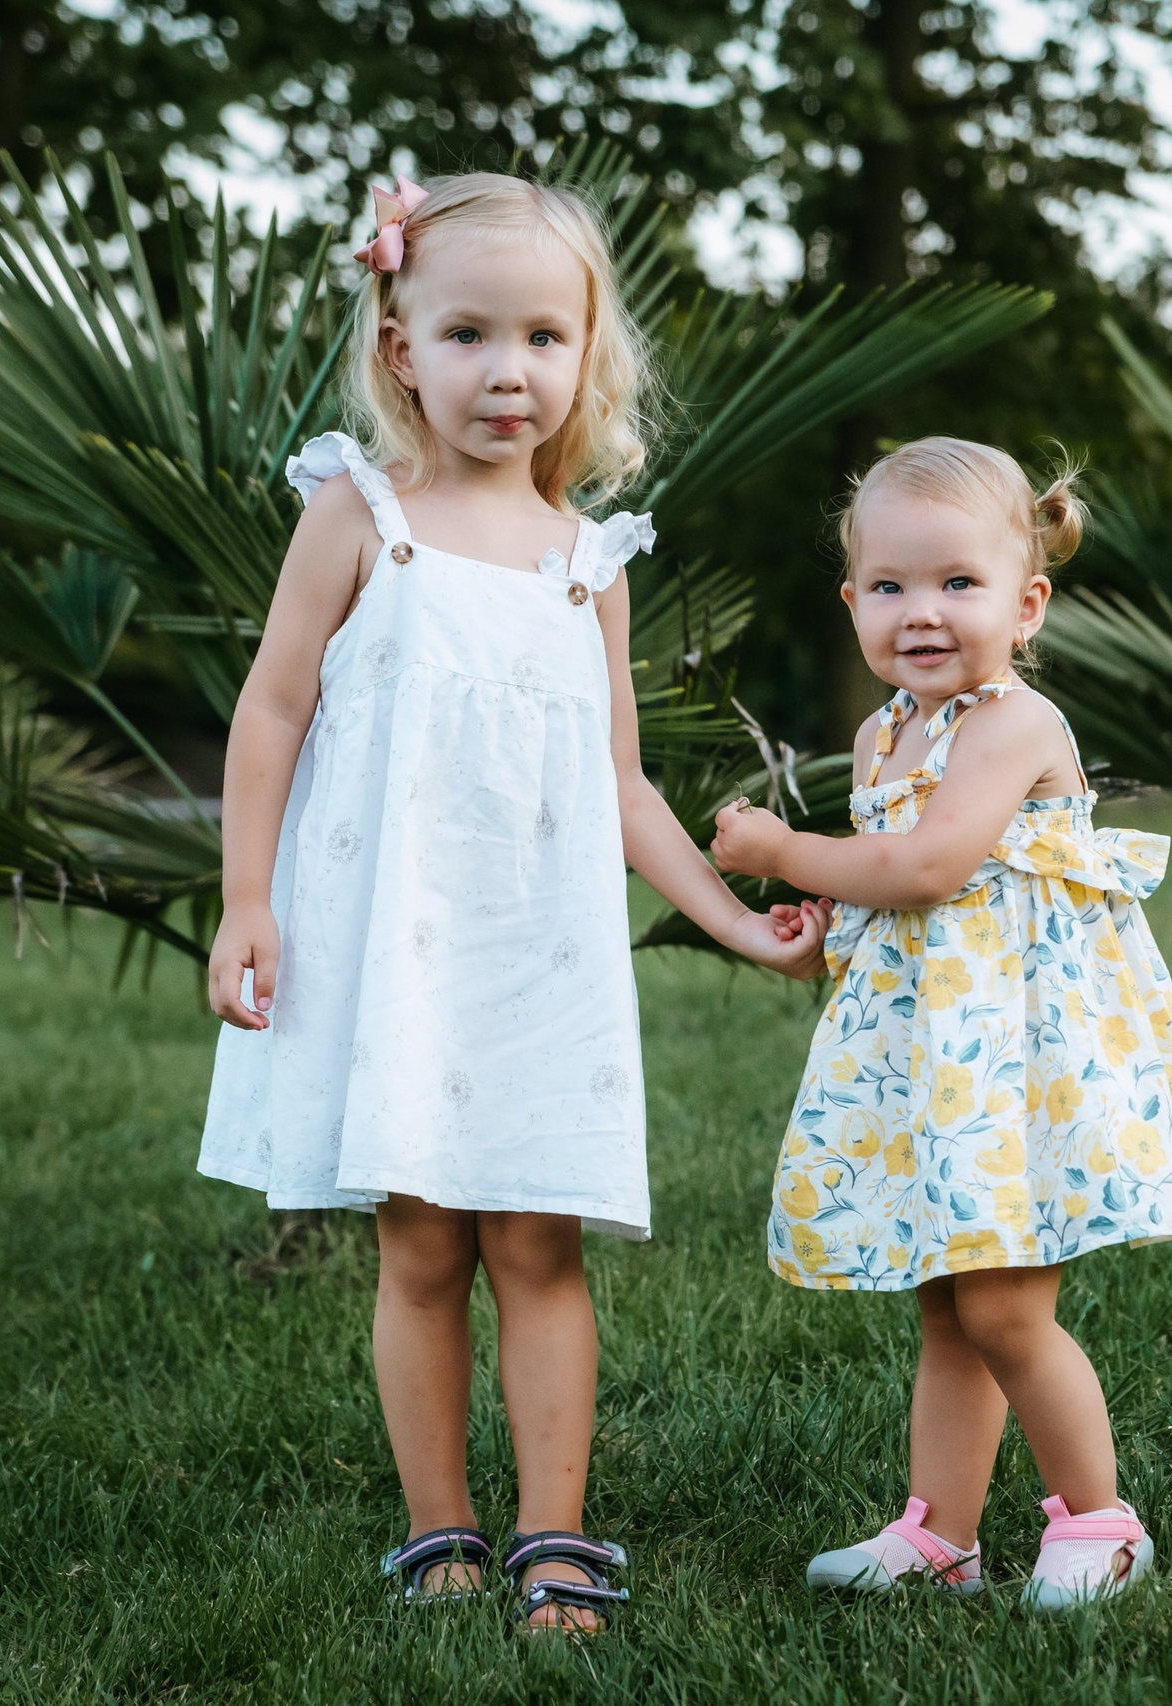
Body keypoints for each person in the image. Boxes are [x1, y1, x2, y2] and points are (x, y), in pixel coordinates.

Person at [198, 171, 825, 1634]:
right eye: (469, 333)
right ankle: (441, 1529)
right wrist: (246, 899)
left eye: (544, 336)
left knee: (540, 1247)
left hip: (540, 958)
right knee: (422, 1247)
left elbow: (621, 783)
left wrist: (738, 922)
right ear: (401, 345)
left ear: (585, 354)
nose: (508, 370)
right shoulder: (359, 516)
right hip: (396, 953)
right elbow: (272, 711)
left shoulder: (587, 564)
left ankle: (556, 1535)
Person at [711, 438, 1172, 1610]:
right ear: (851, 602)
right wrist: (825, 927)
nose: (922, 611)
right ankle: (939, 1534)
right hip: (940, 1054)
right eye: (889, 585)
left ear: (1025, 604)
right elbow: (891, 894)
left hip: (1019, 1062)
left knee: (1002, 1302)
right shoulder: (881, 733)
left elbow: (930, 866)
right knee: (947, 1301)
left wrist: (783, 848)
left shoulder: (1011, 720)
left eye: (958, 581)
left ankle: (1101, 1520)